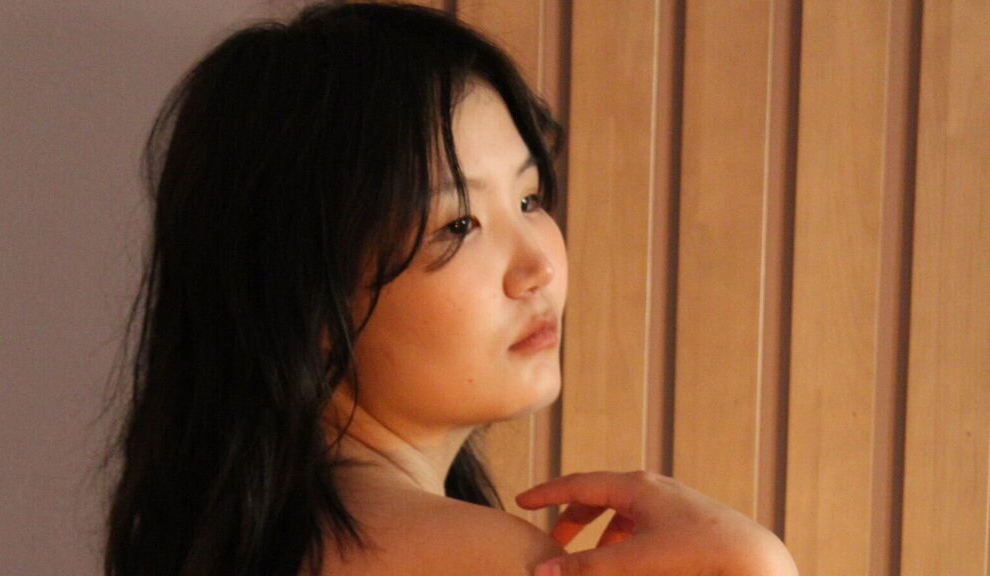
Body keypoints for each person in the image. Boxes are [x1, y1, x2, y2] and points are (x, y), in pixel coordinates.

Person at [104, 3, 798, 576]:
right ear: (306, 298)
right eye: (458, 224)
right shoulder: (484, 561)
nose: (539, 266)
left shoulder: (229, 541)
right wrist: (754, 566)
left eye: (529, 199)